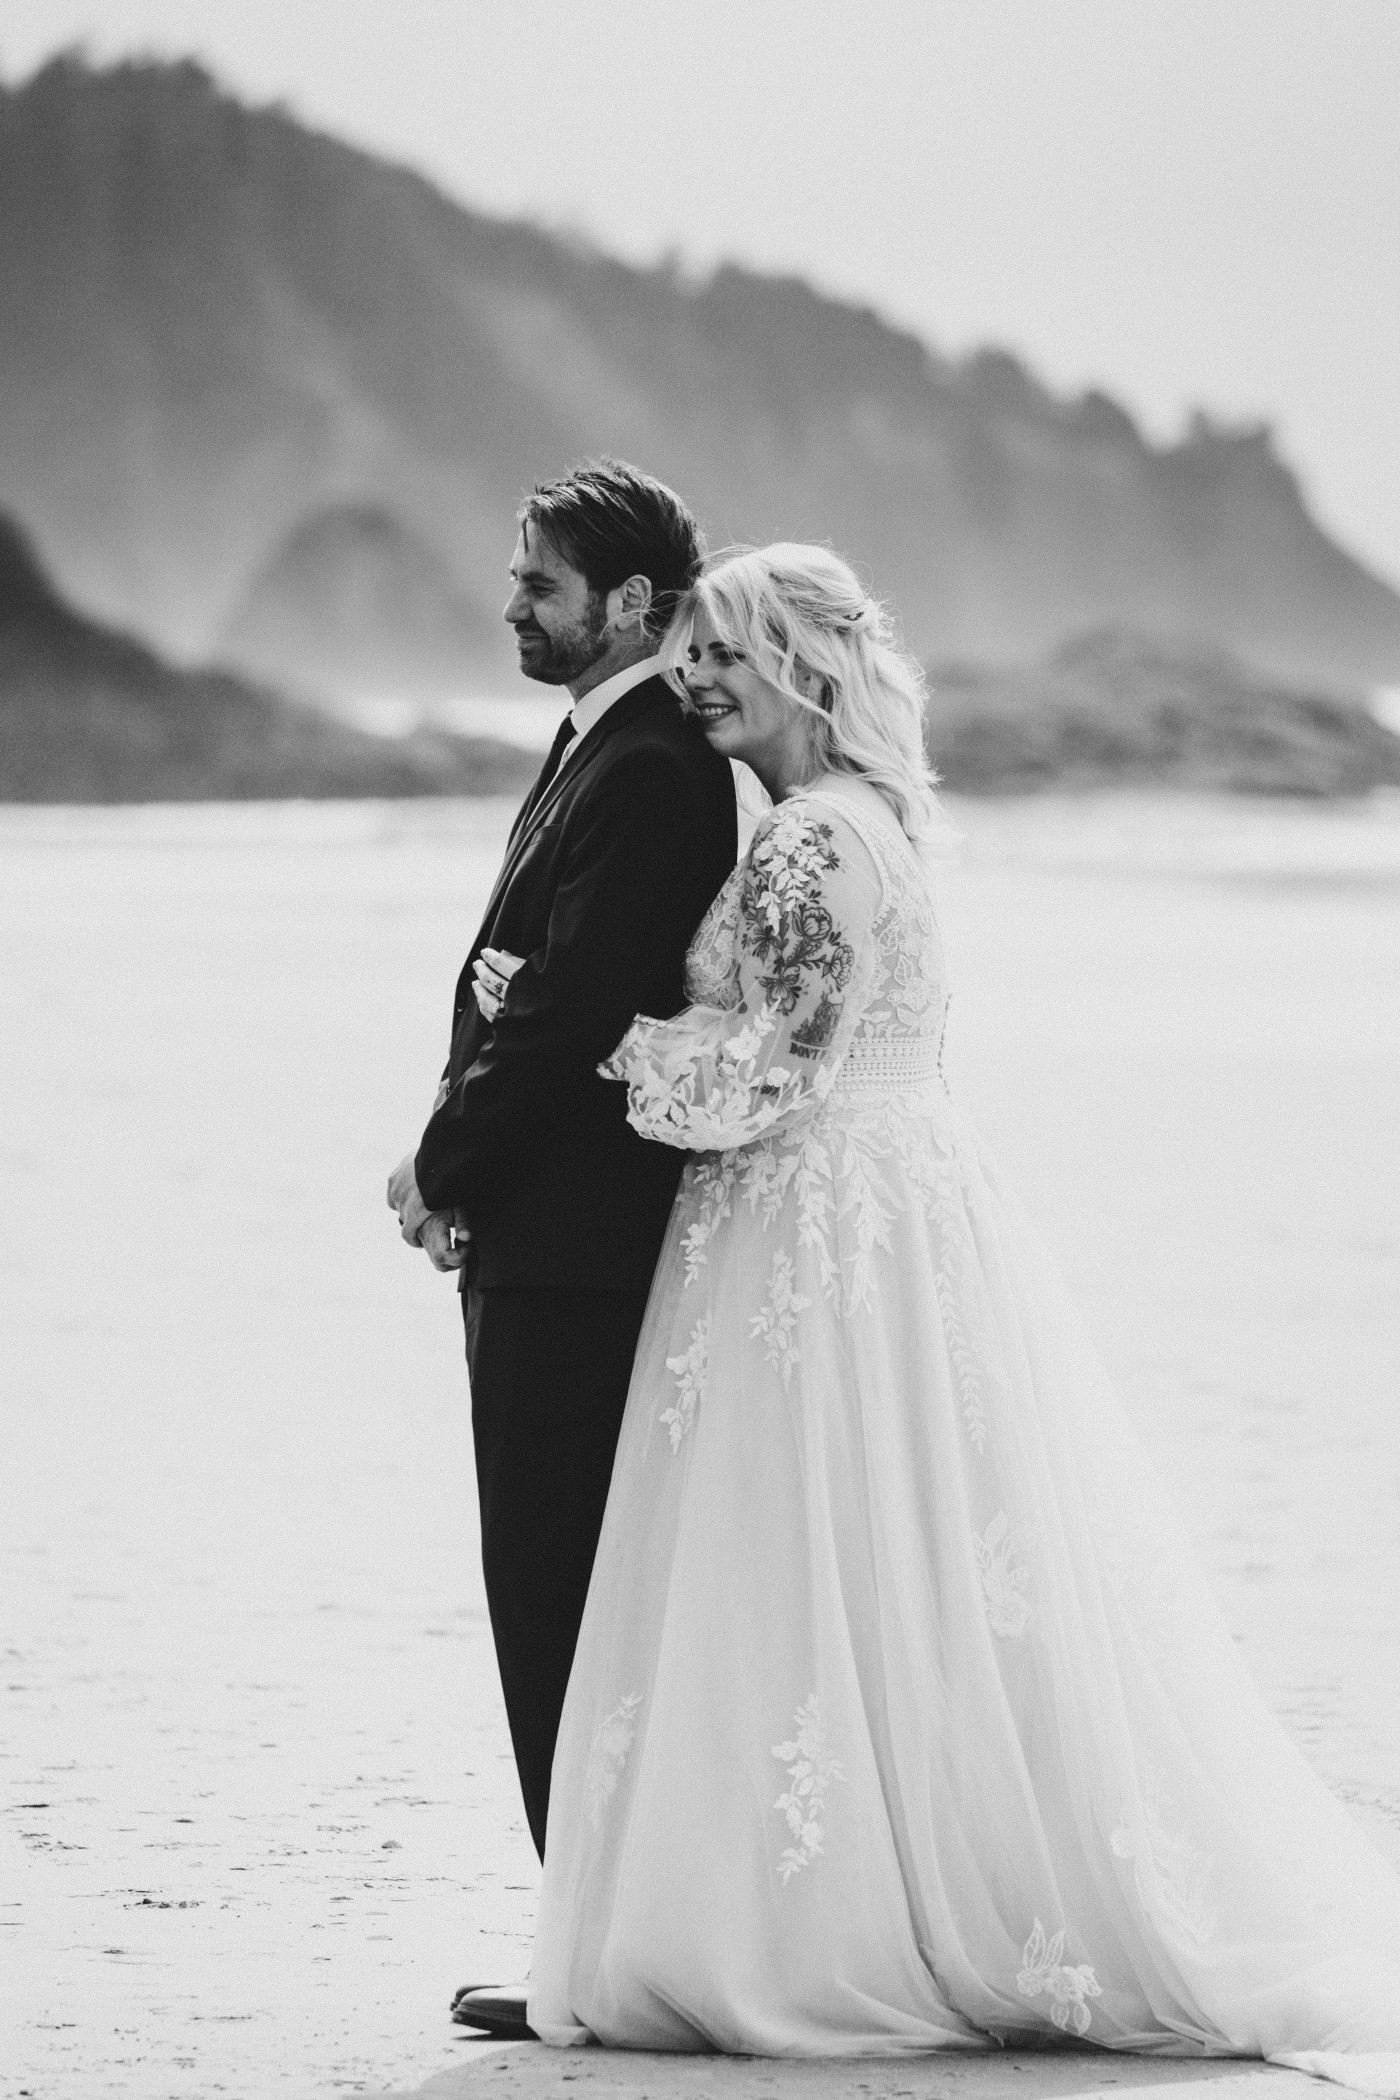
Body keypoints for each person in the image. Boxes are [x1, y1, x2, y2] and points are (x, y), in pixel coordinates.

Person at [516, 542, 1400, 2085]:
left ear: (805, 665)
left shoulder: (801, 848)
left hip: (810, 1221)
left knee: (819, 1553)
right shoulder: (881, 822)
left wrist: (613, 1053)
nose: (702, 679)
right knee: (911, 1553)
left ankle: (833, 1919)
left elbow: (772, 1075)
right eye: (698, 649)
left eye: (728, 653)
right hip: (910, 1201)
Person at [386, 460, 736, 2032]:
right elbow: (515, 978)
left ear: (632, 606)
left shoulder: (657, 765)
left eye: (537, 586)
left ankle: (591, 1955)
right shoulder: (610, 738)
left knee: (559, 1586)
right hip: (546, 1229)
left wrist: (444, 1162)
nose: (512, 605)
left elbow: (573, 1010)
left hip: (579, 1244)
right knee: (554, 1582)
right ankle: (587, 1930)